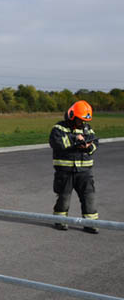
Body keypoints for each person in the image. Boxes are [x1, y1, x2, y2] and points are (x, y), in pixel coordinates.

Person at [49, 100, 99, 233]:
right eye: (80, 120)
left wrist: (88, 146)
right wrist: (75, 140)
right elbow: (57, 142)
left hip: (85, 171)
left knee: (89, 197)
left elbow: (95, 143)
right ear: (72, 116)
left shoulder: (87, 128)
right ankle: (60, 221)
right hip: (65, 171)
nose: (82, 123)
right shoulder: (59, 128)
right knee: (64, 197)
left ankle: (90, 223)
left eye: (84, 120)